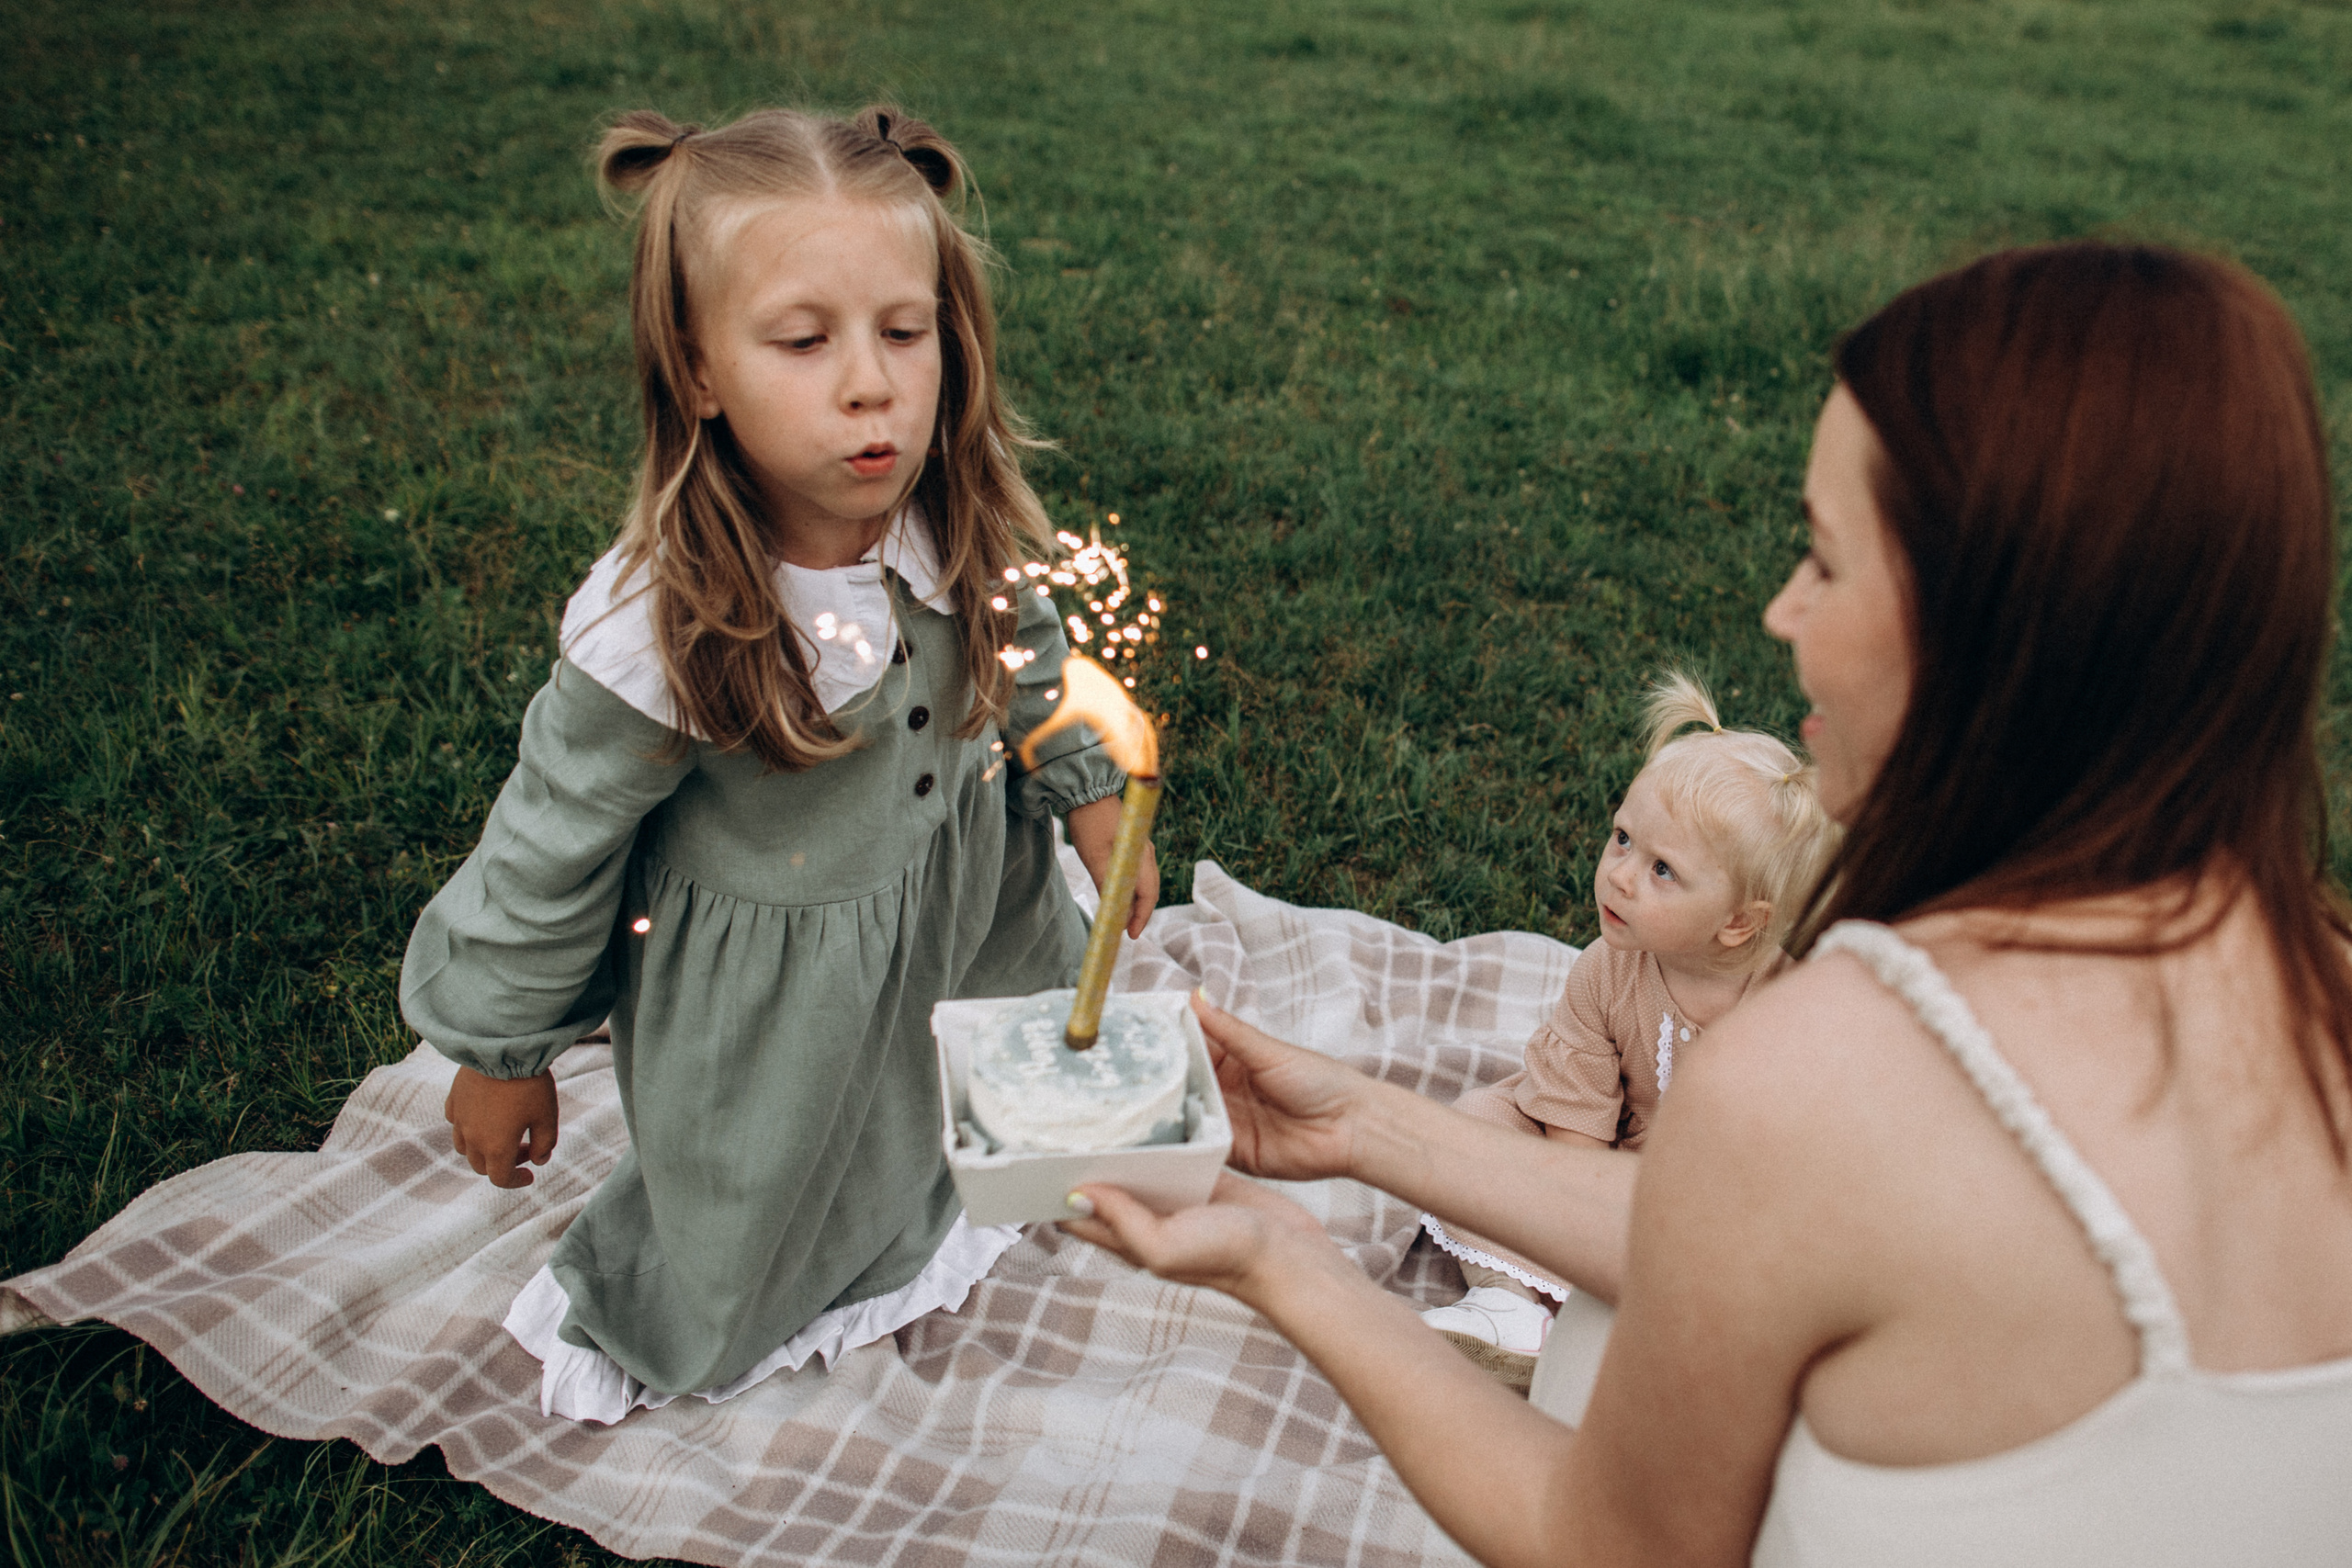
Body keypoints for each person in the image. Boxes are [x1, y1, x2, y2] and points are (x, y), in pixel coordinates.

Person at [1065, 242, 2352, 1564]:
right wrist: (1365, 1125)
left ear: (1993, 632)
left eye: (1825, 557)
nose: (1781, 608)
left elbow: (1605, 1539)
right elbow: (1774, 1242)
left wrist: (1288, 1265)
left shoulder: (1828, 1068)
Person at [400, 105, 1158, 1424]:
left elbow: (1026, 657)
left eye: (903, 332)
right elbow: (549, 844)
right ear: (697, 368)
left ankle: (942, 1195)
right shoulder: (664, 621)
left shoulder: (949, 512)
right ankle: (732, 1289)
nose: (870, 383)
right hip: (777, 994)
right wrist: (502, 1046)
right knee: (767, 1184)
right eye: (804, 342)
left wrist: (1090, 799)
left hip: (972, 907)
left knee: (962, 1083)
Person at [1421, 673, 1836, 1385]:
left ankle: (1641, 1328)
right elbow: (1573, 1126)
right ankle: (1514, 1303)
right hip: (1596, 1166)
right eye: (1621, 838)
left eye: (1663, 869)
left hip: (1713, 1197)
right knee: (1469, 1130)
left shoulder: (1790, 1009)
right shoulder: (1606, 971)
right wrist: (1585, 1218)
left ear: (1739, 921)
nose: (1619, 875)